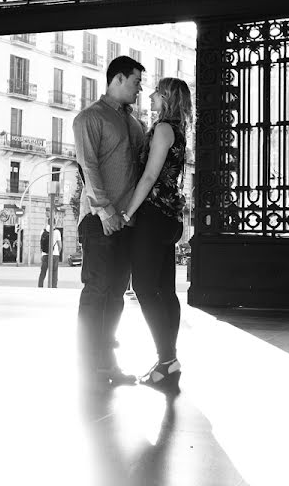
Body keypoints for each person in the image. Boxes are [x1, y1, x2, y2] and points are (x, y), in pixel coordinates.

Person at [74, 55, 146, 390]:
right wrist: (105, 211)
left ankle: (108, 364)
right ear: (117, 79)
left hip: (127, 223)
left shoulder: (135, 124)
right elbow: (88, 166)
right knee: (98, 292)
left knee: (116, 294)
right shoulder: (89, 118)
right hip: (98, 220)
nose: (140, 89)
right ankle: (89, 367)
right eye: (135, 81)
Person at [121, 77, 193, 392]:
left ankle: (166, 360)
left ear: (165, 97)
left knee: (147, 289)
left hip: (153, 215)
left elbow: (150, 175)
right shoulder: (177, 131)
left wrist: (128, 211)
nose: (149, 95)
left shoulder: (163, 130)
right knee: (164, 290)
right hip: (169, 216)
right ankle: (169, 360)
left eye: (155, 92)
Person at [37, 224, 62, 288]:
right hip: (55, 254)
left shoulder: (43, 231)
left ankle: (40, 286)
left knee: (43, 272)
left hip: (44, 255)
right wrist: (58, 252)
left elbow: (41, 244)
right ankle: (53, 287)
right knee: (54, 272)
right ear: (55, 223)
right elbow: (60, 245)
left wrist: (42, 253)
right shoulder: (57, 232)